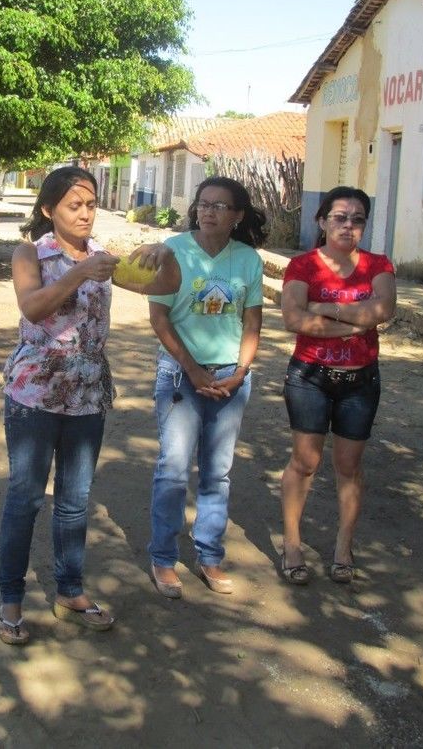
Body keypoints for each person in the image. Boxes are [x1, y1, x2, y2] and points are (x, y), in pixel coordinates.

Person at [0, 166, 176, 644]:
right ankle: (10, 601)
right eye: (73, 206)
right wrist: (77, 272)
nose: (84, 214)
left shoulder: (105, 258)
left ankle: (70, 592)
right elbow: (32, 307)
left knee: (75, 502)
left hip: (87, 393)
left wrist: (166, 257)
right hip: (35, 392)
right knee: (26, 498)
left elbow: (162, 287)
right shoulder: (30, 253)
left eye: (90, 205)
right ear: (47, 210)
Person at [146, 177, 266, 599]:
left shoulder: (249, 260)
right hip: (181, 375)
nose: (208, 211)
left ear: (237, 216)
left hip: (231, 375)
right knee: (174, 468)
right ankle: (162, 558)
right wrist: (193, 369)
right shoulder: (173, 250)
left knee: (218, 472)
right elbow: (159, 319)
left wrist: (241, 371)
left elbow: (252, 323)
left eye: (220, 206)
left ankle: (209, 556)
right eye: (203, 203)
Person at [280, 186, 396, 585]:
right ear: (322, 221)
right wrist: (354, 321)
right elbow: (293, 320)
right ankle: (292, 545)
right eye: (340, 217)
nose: (349, 225)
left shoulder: (378, 264)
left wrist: (324, 308)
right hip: (310, 376)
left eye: (357, 219)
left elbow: (383, 310)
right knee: (305, 462)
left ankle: (343, 548)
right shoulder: (303, 266)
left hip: (361, 380)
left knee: (349, 465)